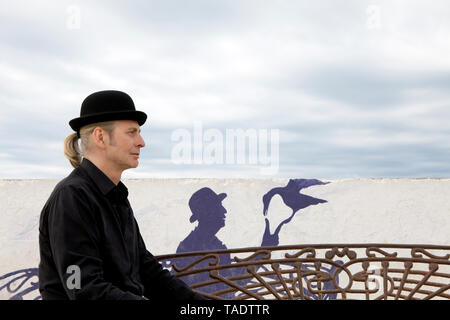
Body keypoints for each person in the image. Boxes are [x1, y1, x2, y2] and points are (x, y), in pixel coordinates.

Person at [38, 90, 205, 300]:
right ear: (100, 137)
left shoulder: (116, 195)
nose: (141, 142)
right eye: (132, 132)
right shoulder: (72, 197)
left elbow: (146, 269)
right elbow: (83, 289)